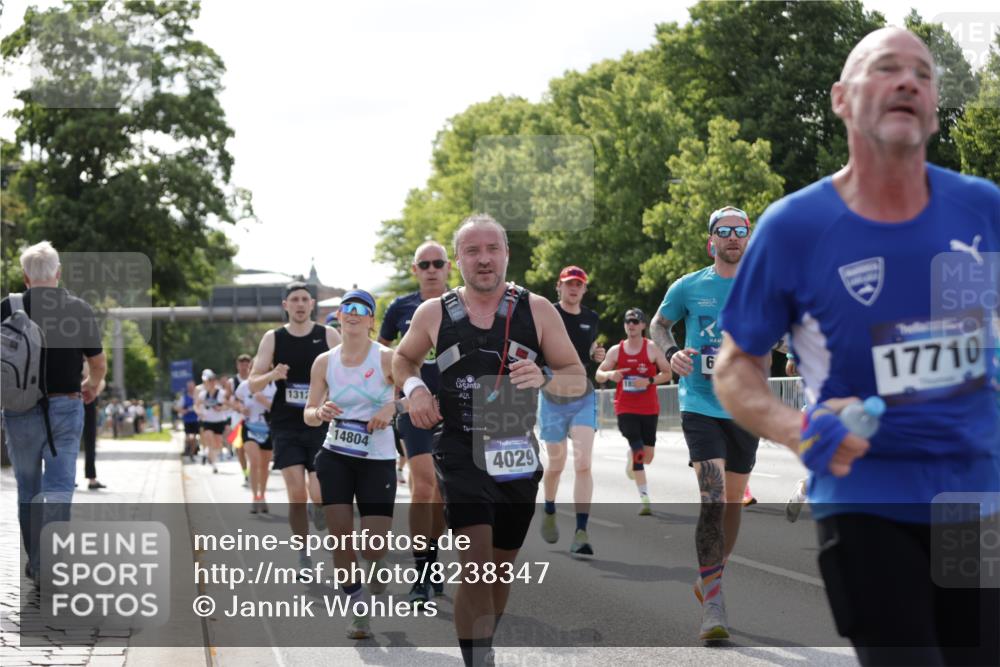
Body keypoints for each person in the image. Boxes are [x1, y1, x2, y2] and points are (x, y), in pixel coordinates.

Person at [713, 27, 999, 666]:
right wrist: (797, 426)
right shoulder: (794, 227)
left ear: (934, 104)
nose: (909, 82)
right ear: (842, 98)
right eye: (887, 69)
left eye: (923, 75)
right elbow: (736, 368)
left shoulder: (983, 210)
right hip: (866, 494)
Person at [393, 214, 585, 667]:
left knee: (498, 571)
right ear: (459, 258)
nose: (484, 260)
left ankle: (485, 644)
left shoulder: (536, 309)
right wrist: (415, 389)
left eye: (492, 249)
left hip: (514, 450)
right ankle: (475, 660)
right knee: (474, 565)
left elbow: (577, 378)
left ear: (506, 255)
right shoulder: (433, 312)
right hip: (459, 448)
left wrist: (544, 376)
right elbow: (403, 359)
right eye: (473, 251)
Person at [649, 205, 760, 641]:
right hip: (700, 404)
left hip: (746, 406)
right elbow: (660, 324)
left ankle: (709, 576)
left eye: (740, 231)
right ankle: (714, 603)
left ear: (748, 238)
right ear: (710, 239)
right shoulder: (690, 286)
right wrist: (672, 351)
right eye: (724, 231)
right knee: (712, 498)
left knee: (733, 503)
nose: (733, 237)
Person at [0, 240, 106, 584]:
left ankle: (38, 562)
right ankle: (50, 564)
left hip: (18, 409)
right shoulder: (78, 308)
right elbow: (98, 363)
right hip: (65, 406)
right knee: (59, 486)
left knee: (28, 488)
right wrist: (92, 384)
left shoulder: (7, 307)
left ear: (26, 277)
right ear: (58, 273)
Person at [305, 289, 401, 639]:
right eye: (348, 308)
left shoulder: (388, 357)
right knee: (341, 536)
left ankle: (376, 563)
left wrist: (391, 408)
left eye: (363, 308)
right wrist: (319, 411)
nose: (354, 313)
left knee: (372, 545)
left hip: (377, 458)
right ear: (340, 316)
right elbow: (309, 413)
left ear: (372, 320)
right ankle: (358, 609)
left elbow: (413, 394)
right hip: (336, 455)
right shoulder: (324, 362)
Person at [377, 240, 450, 605]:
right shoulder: (400, 307)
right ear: (415, 270)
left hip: (457, 410)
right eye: (425, 264)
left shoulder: (466, 303)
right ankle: (422, 571)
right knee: (423, 487)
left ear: (449, 266)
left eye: (438, 262)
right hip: (413, 410)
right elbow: (384, 354)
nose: (432, 269)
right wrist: (393, 397)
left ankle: (434, 558)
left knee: (442, 493)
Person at [249, 281, 342, 566]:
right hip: (285, 424)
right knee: (296, 493)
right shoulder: (273, 338)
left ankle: (321, 507)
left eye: (305, 299)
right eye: (295, 300)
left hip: (319, 422)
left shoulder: (328, 335)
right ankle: (303, 552)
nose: (300, 304)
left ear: (312, 304)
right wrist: (272, 375)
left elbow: (347, 370)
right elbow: (253, 383)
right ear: (286, 305)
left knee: (317, 491)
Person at [537, 266, 605, 555]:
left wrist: (595, 355)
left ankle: (581, 531)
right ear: (559, 287)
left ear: (584, 289)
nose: (574, 288)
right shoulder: (547, 314)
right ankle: (550, 508)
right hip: (552, 397)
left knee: (583, 464)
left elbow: (586, 352)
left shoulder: (592, 319)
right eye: (569, 284)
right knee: (555, 465)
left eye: (579, 284)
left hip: (583, 396)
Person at [596, 308, 671, 516]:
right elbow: (599, 374)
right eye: (628, 321)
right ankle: (645, 498)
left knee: (647, 457)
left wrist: (648, 380)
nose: (631, 325)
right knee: (639, 450)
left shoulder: (652, 349)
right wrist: (611, 373)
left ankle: (632, 457)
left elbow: (668, 372)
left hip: (649, 407)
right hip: (625, 407)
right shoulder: (615, 351)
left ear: (643, 325)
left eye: (636, 321)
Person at [234, 357, 275, 514]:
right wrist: (240, 408)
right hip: (249, 428)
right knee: (255, 462)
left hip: (268, 429)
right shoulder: (245, 386)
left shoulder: (275, 387)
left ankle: (262, 496)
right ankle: (254, 497)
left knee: (265, 466)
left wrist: (265, 402)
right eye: (255, 369)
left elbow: (280, 410)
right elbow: (236, 400)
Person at [227, 354, 253, 487]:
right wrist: (238, 407)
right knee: (240, 449)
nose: (244, 367)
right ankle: (246, 474)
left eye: (246, 364)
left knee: (252, 448)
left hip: (253, 418)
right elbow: (227, 400)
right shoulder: (232, 382)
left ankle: (253, 472)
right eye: (241, 364)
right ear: (237, 366)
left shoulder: (255, 379)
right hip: (238, 420)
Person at [196, 370, 228, 474]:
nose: (209, 383)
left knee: (218, 444)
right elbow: (196, 405)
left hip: (219, 421)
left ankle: (209, 454)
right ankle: (214, 464)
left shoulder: (221, 393)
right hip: (207, 421)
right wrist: (199, 413)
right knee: (209, 439)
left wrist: (221, 408)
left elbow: (227, 405)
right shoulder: (202, 394)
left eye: (211, 380)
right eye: (207, 381)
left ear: (214, 381)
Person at [80, 370, 107, 490]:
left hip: (68, 397)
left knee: (67, 442)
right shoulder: (86, 354)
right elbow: (97, 374)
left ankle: (67, 478)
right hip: (87, 398)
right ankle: (91, 479)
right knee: (90, 441)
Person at [178, 381, 200, 462]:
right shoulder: (184, 398)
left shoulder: (198, 397)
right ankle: (188, 447)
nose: (191, 388)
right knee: (188, 438)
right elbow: (178, 408)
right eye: (189, 387)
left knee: (194, 437)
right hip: (187, 420)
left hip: (196, 420)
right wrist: (184, 411)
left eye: (192, 386)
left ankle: (192, 453)